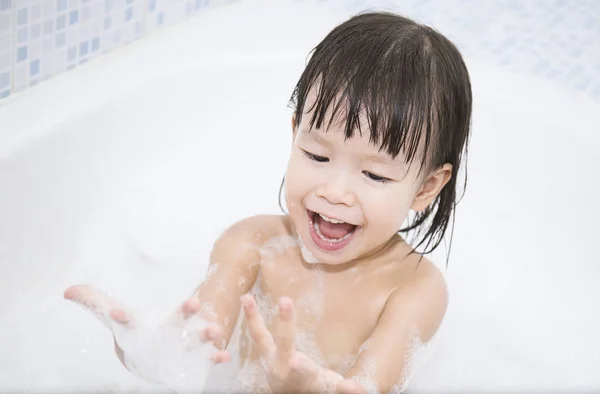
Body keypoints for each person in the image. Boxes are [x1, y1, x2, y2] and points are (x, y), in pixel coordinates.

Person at [65, 10, 472, 394]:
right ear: (295, 133)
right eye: (317, 155)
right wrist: (151, 349)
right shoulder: (253, 244)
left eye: (374, 175)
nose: (335, 192)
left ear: (426, 187)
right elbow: (194, 343)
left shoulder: (414, 287)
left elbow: (365, 386)